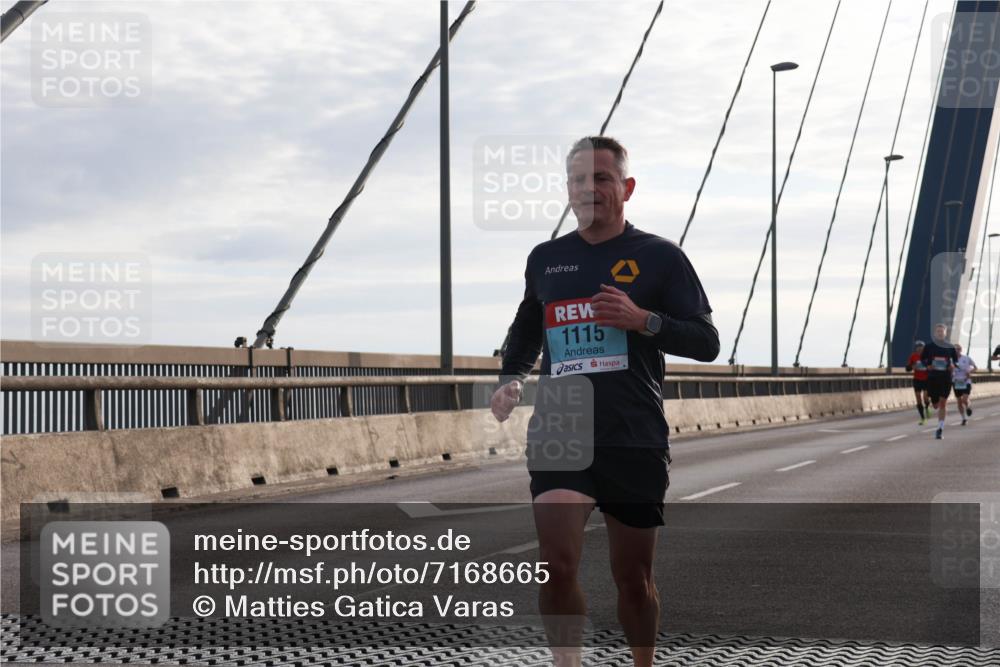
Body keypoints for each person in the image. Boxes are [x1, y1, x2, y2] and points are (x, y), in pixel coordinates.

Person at [491, 136, 719, 667]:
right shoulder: (547, 258)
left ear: (626, 187)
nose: (588, 189)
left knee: (633, 578)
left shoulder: (661, 257)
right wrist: (511, 378)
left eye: (601, 178)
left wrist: (644, 321)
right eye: (577, 180)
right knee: (556, 566)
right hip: (562, 428)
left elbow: (706, 342)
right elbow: (527, 329)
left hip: (632, 433)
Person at [920, 323, 959, 440]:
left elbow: (956, 361)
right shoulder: (929, 347)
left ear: (945, 333)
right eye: (938, 331)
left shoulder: (950, 347)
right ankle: (931, 405)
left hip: (946, 378)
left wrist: (953, 366)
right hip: (933, 378)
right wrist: (927, 365)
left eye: (942, 331)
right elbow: (922, 359)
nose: (940, 333)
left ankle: (940, 428)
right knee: (936, 405)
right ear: (935, 333)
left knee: (943, 403)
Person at [904, 340, 930, 425]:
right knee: (918, 398)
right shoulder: (913, 356)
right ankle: (923, 418)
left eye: (921, 347)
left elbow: (932, 366)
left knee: (925, 397)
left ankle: (927, 407)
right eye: (918, 347)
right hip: (917, 379)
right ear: (916, 348)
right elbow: (907, 368)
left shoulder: (928, 356)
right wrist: (912, 366)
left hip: (926, 379)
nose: (919, 349)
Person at [952, 343, 977, 425]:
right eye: (955, 349)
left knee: (964, 400)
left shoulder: (966, 358)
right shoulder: (951, 360)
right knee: (959, 401)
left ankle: (968, 407)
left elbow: (975, 368)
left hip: (966, 381)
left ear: (961, 350)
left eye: (958, 349)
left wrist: (970, 372)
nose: (956, 351)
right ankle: (964, 418)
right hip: (956, 382)